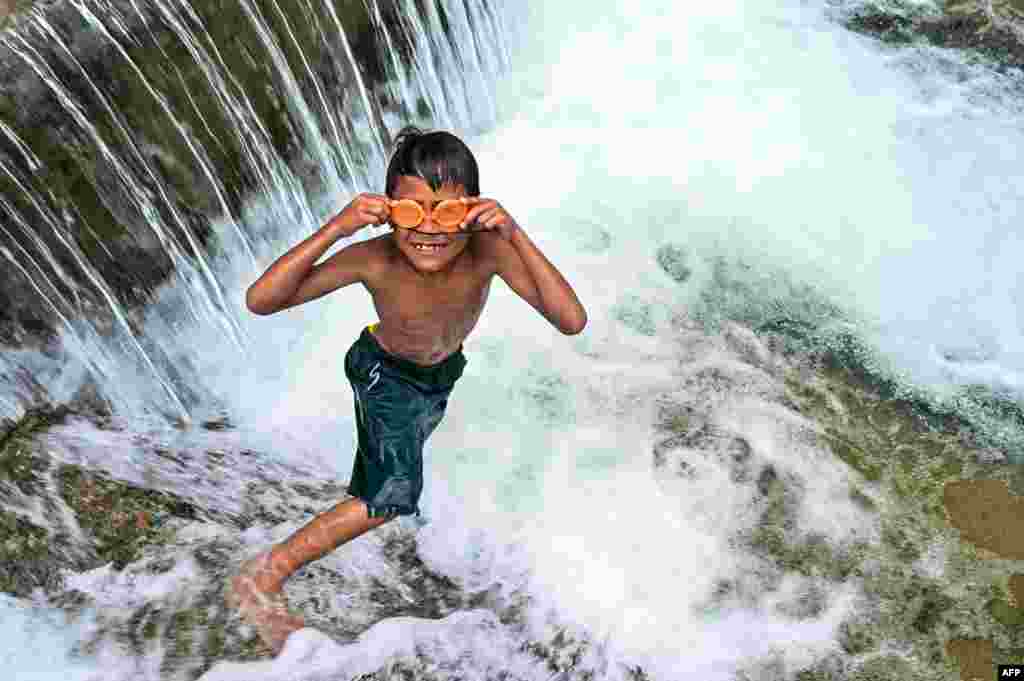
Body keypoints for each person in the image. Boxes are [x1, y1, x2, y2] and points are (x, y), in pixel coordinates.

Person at [226, 125, 587, 654]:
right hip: (383, 370)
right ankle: (262, 576)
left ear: (473, 212)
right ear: (389, 210)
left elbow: (571, 319)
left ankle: (363, 496)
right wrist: (339, 227)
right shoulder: (375, 258)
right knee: (390, 495)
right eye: (412, 211)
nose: (430, 231)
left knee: (387, 476)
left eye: (447, 212)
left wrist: (515, 233)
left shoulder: (489, 252)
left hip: (439, 374)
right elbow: (262, 299)